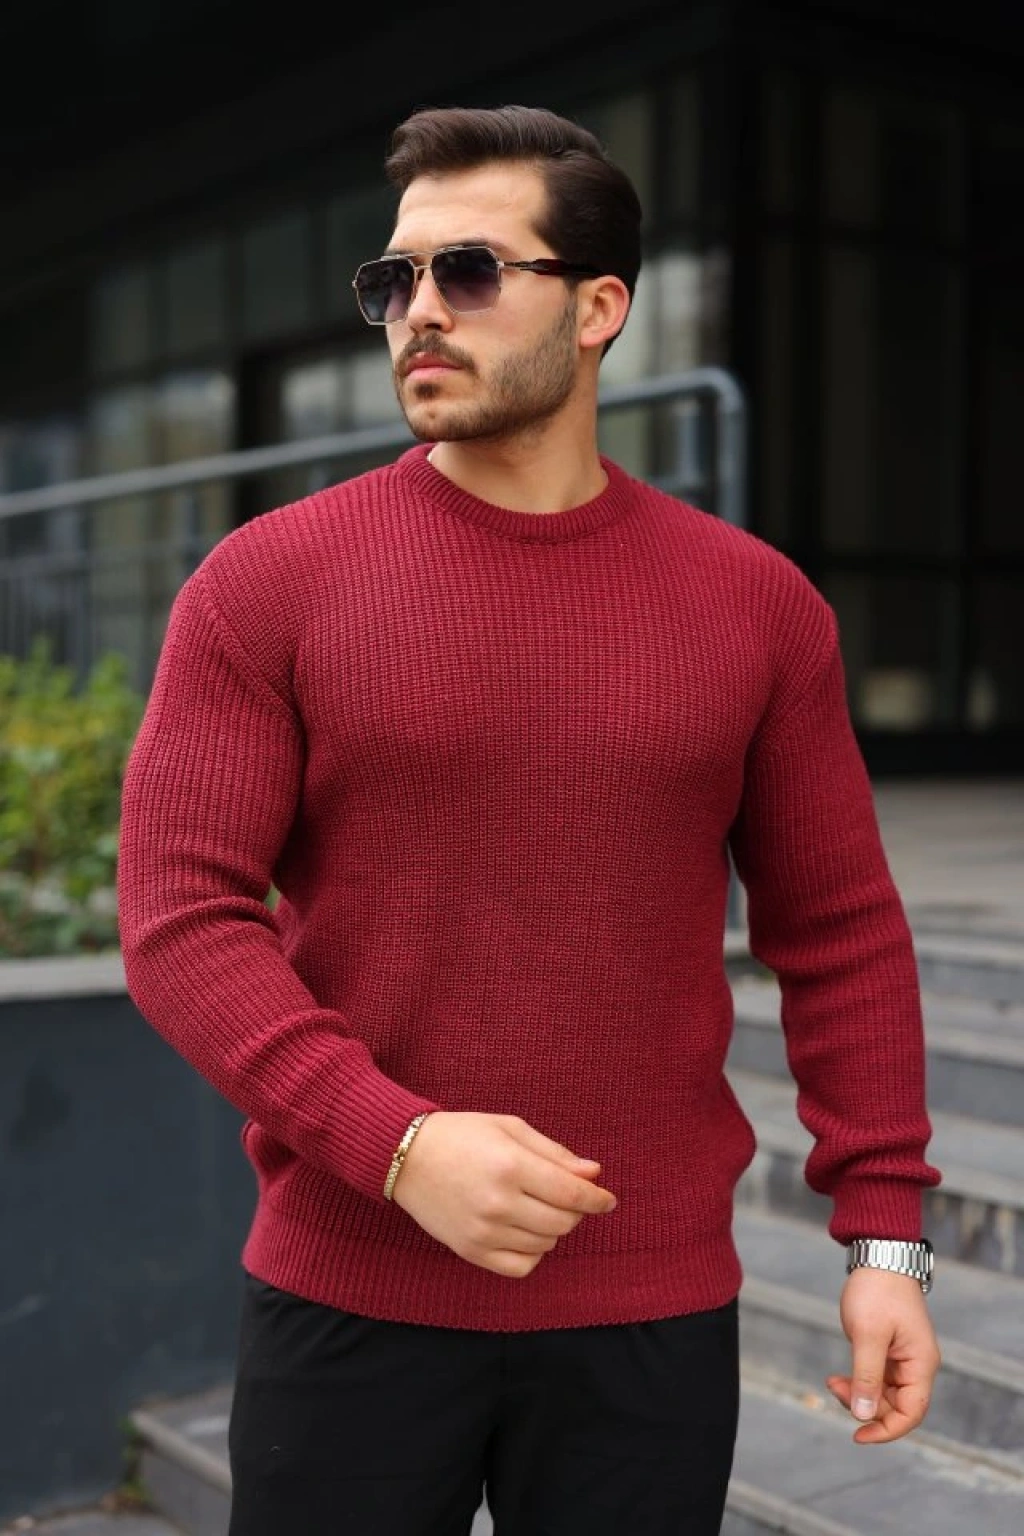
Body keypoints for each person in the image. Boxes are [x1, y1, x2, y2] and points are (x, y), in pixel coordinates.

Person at [117, 103, 943, 1536]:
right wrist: (396, 1143)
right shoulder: (267, 584)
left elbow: (842, 933)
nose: (420, 313)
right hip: (351, 1294)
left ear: (600, 307)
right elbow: (178, 918)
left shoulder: (757, 606)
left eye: (470, 272)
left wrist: (885, 1241)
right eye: (395, 279)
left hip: (648, 1313)